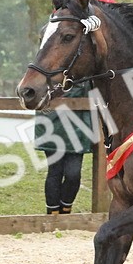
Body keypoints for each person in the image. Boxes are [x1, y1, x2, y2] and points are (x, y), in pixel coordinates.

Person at [35, 81, 93, 215]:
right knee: (55, 171)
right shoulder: (46, 73)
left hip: (77, 129)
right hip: (52, 128)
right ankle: (53, 213)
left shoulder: (83, 75)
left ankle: (65, 209)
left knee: (73, 174)